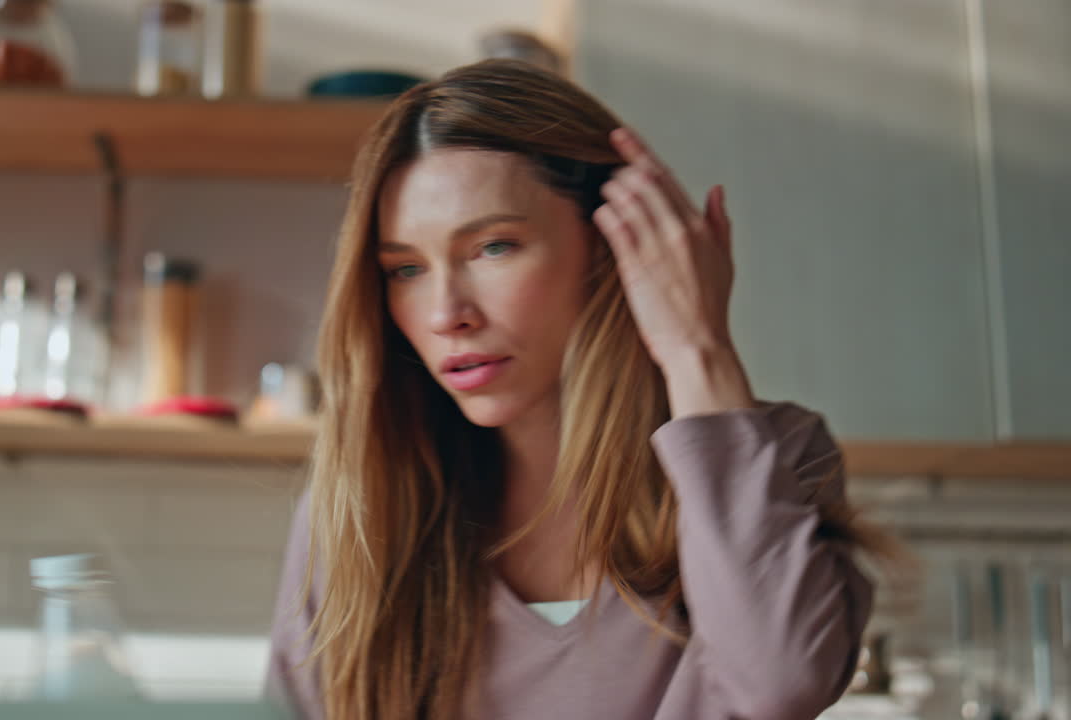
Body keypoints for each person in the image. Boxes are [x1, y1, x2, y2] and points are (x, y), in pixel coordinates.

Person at [265, 58, 892, 720]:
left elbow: (781, 685)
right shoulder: (362, 501)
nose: (446, 312)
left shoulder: (777, 461)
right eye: (407, 269)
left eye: (494, 247)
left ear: (613, 246)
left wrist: (698, 348)